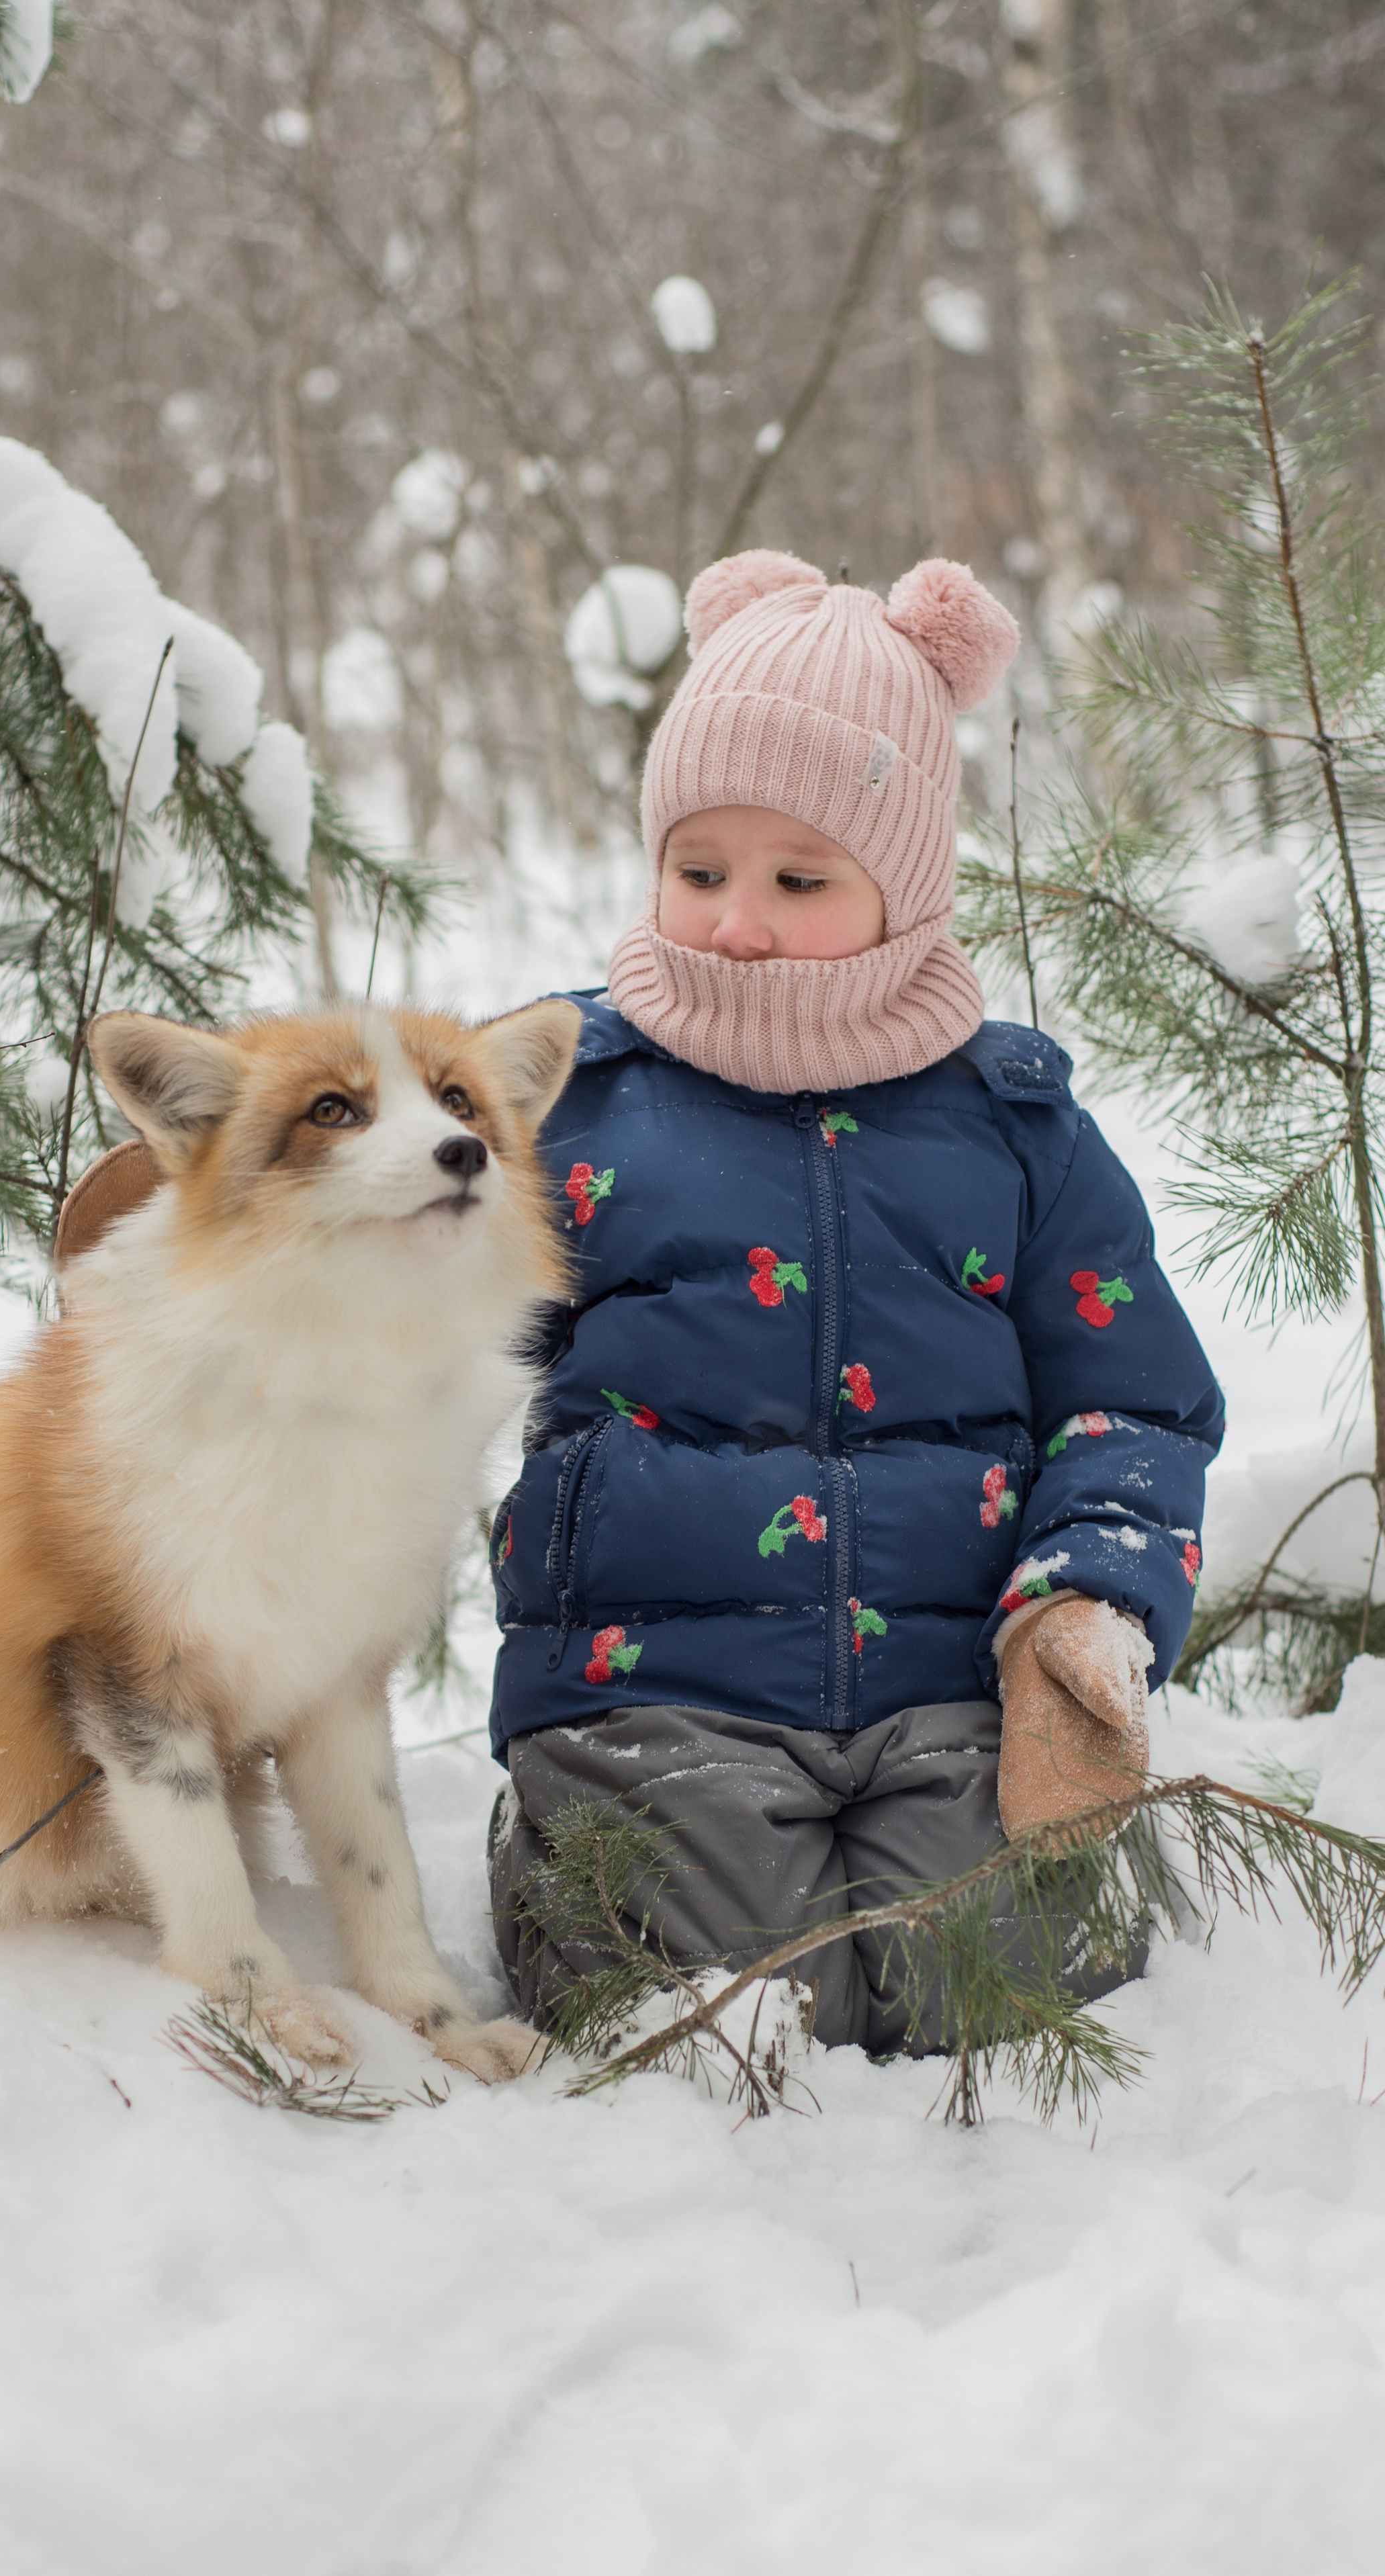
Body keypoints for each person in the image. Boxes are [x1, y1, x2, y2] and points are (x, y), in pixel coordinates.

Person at [486, 549, 1224, 2052]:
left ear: (905, 885)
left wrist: (1085, 1595)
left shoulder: (1012, 1126)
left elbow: (1130, 1400)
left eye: (798, 879)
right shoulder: (569, 1095)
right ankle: (555, 1844)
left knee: (1002, 1975)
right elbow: (401, 1319)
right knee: (715, 2004)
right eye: (699, 872)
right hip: (655, 1689)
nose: (735, 923)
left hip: (951, 1690)